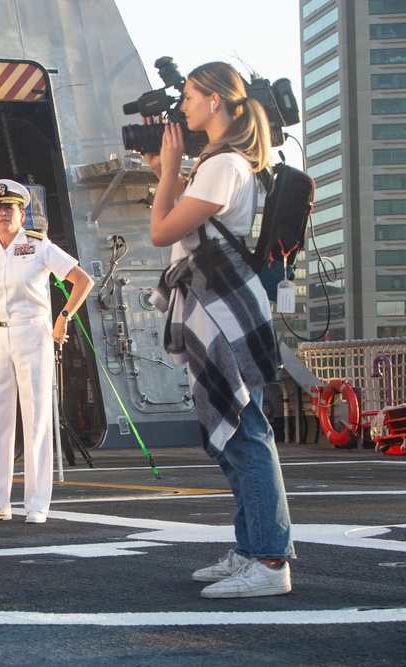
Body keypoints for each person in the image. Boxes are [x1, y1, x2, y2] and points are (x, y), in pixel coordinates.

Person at [145, 62, 295, 598]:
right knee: (234, 433)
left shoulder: (223, 164)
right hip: (220, 304)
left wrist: (167, 172)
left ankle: (271, 560)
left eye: (189, 96)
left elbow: (163, 230)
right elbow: (182, 229)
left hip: (224, 308)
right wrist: (169, 170)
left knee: (247, 431)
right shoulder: (222, 163)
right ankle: (252, 548)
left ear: (215, 101)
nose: (182, 106)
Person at [0, 179, 95, 525]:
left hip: (33, 332)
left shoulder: (39, 245)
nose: (3, 213)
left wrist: (63, 318)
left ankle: (37, 504)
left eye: (10, 208)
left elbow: (83, 281)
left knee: (36, 419)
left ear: (22, 213)